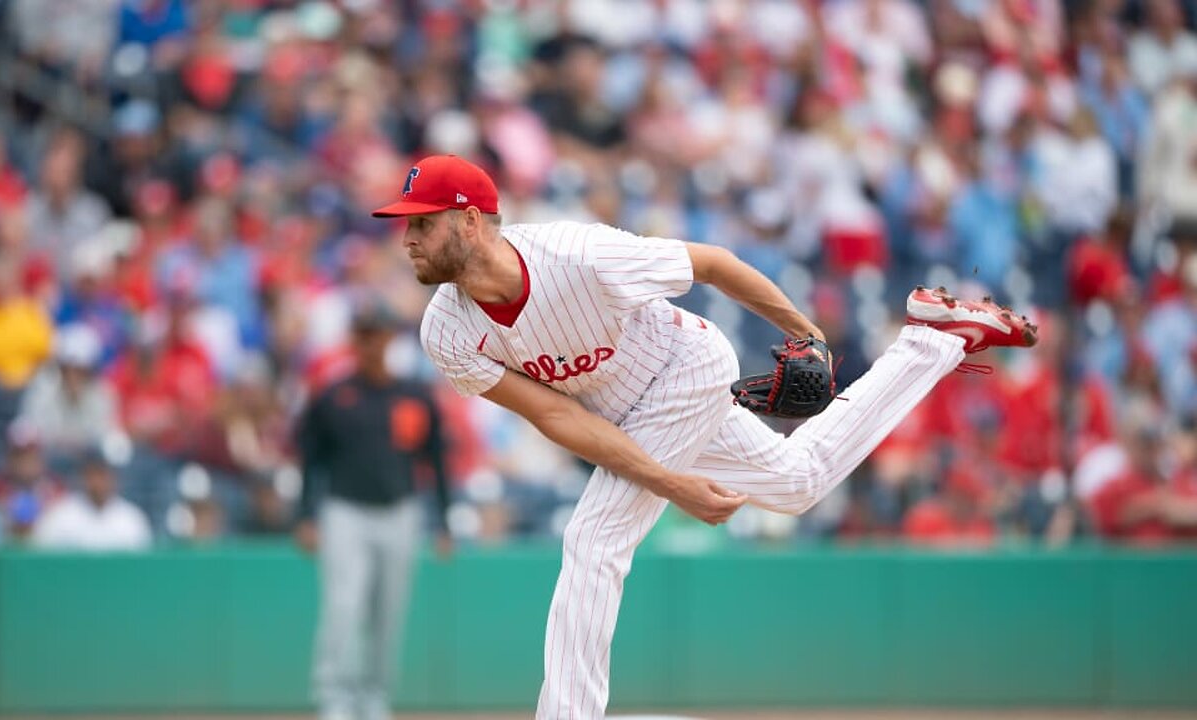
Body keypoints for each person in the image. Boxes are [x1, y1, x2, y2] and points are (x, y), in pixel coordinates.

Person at [371, 154, 1040, 719]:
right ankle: (931, 341)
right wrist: (669, 482)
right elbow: (558, 417)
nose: (407, 240)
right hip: (631, 415)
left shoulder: (579, 256)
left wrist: (806, 336)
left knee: (593, 537)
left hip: (685, 368)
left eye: (420, 224)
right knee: (798, 481)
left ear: (467, 220)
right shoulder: (447, 331)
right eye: (405, 227)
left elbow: (714, 264)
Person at [294, 301, 453, 720]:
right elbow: (310, 459)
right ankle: (336, 696)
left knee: (389, 609)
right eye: (361, 334)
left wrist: (444, 520)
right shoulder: (333, 395)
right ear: (354, 340)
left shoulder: (414, 397)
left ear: (388, 339)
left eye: (375, 333)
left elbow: (435, 459)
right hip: (345, 511)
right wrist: (306, 515)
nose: (368, 342)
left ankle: (374, 695)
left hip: (401, 511)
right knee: (344, 606)